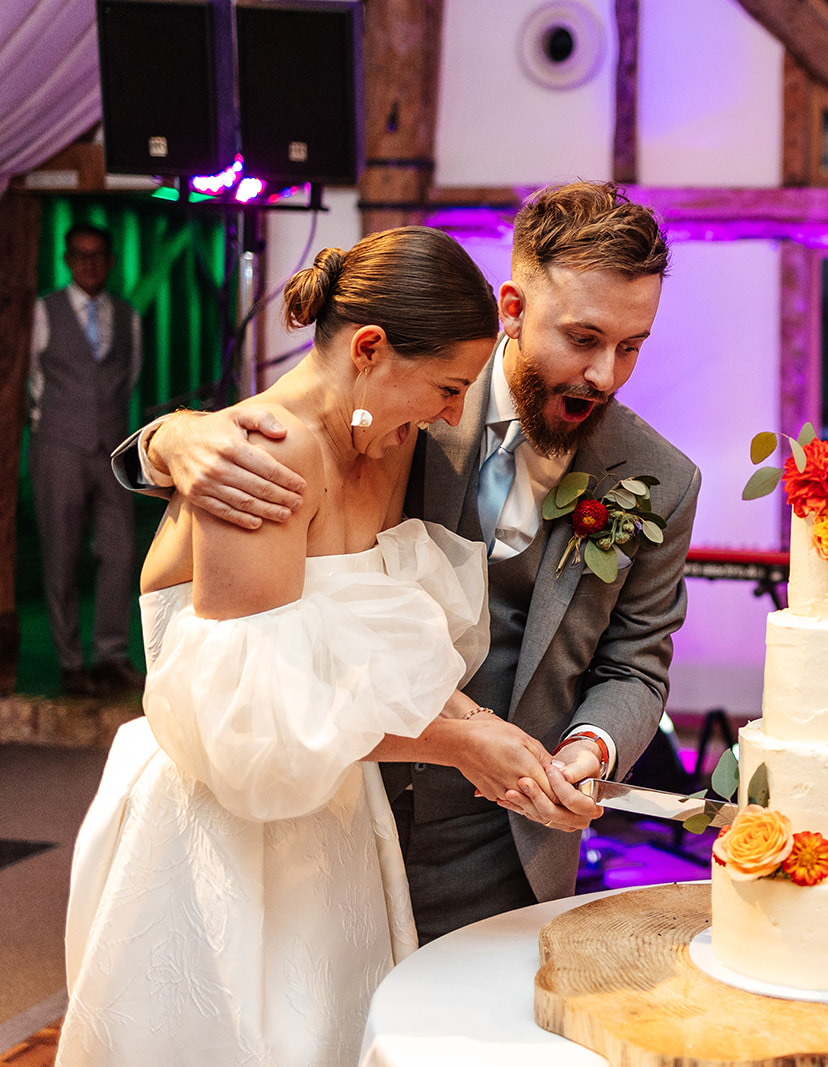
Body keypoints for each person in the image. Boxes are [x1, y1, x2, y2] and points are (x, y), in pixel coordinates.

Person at [119, 181, 702, 940]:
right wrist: (172, 437)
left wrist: (590, 746)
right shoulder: (403, 405)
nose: (607, 375)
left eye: (631, 346)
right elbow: (285, 428)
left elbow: (634, 665)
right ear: (514, 309)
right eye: (584, 339)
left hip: (507, 847)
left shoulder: (660, 477)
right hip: (336, 804)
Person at [59, 226, 525, 1065]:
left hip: (334, 816)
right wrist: (461, 742)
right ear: (371, 348)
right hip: (217, 832)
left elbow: (366, 651)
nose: (454, 413)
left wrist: (484, 728)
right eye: (448, 387)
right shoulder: (258, 459)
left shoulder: (384, 436)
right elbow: (256, 731)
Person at [29, 223, 144, 696]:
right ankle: (71, 662)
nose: (89, 263)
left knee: (120, 553)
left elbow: (129, 375)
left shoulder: (127, 314)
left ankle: (109, 657)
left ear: (111, 260)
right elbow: (30, 374)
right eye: (80, 255)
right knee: (61, 555)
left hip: (114, 450)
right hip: (58, 447)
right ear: (67, 259)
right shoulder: (43, 311)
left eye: (98, 255)